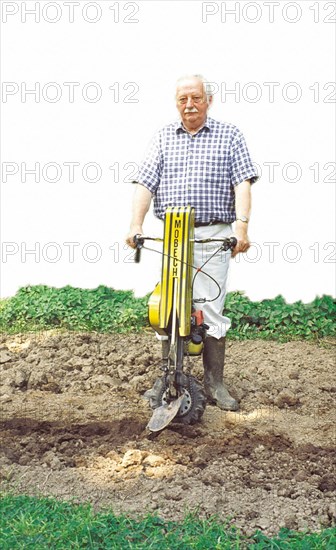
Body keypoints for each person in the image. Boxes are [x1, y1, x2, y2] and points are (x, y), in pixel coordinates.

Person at [126, 74, 259, 411]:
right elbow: (145, 183)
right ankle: (168, 374)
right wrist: (135, 224)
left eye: (196, 98)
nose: (189, 105)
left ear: (208, 100)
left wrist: (241, 227)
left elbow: (243, 182)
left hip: (213, 234)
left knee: (209, 308)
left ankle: (214, 383)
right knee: (168, 306)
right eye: (183, 99)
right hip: (173, 233)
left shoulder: (229, 136)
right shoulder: (162, 138)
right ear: (176, 102)